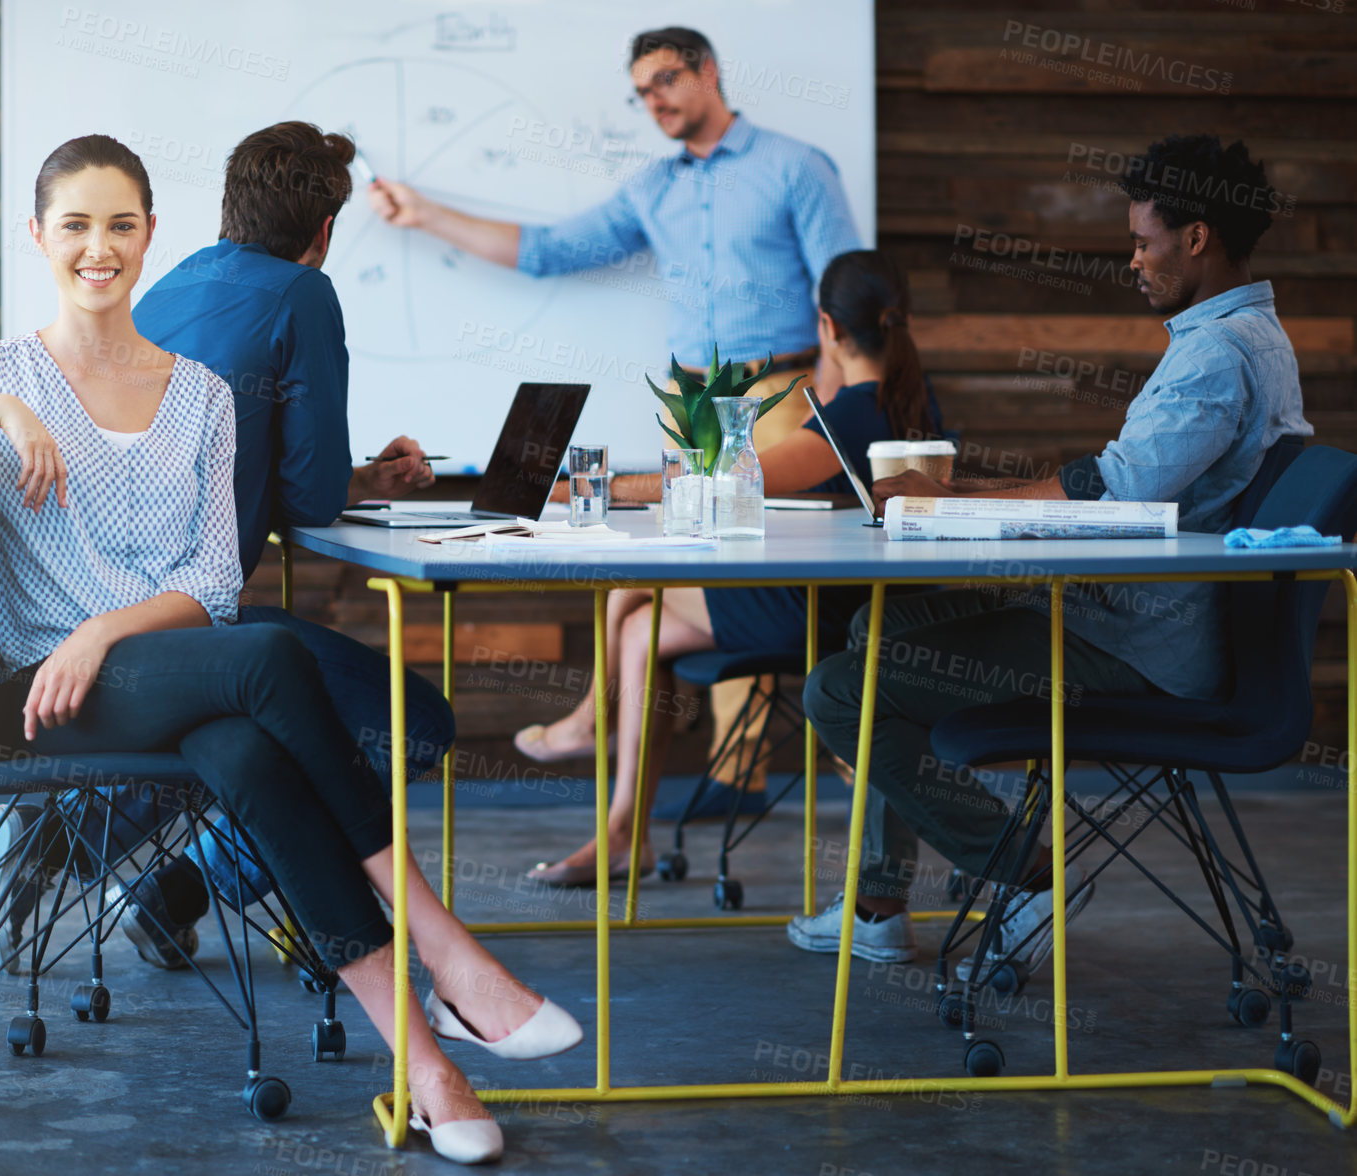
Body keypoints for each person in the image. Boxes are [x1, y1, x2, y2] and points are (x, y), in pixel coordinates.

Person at [0, 135, 580, 1164]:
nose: (99, 247)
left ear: (150, 237)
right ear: (37, 237)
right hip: (29, 692)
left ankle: (428, 1067)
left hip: (134, 666)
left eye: (120, 225)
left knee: (251, 750)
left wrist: (103, 628)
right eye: (75, 225)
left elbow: (211, 583)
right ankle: (453, 960)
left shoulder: (201, 396)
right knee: (272, 659)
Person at [796, 133, 1311, 973]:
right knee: (876, 627)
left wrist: (950, 501)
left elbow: (1112, 490)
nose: (1132, 261)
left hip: (1135, 643)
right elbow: (1120, 488)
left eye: (1142, 242)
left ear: (1195, 238)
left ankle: (1025, 874)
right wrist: (951, 501)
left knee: (838, 691)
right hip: (1123, 613)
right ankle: (880, 902)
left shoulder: (1218, 353)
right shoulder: (1240, 334)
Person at [369, 24, 865, 801]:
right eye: (641, 91)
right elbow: (547, 250)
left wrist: (838, 412)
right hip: (692, 404)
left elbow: (843, 292)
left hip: (777, 393)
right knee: (694, 569)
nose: (654, 100)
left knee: (771, 576)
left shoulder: (795, 166)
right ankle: (722, 781)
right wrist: (424, 214)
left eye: (666, 80)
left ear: (706, 72)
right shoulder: (652, 189)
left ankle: (852, 783)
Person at [9, 121, 460, 972]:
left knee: (287, 694)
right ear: (323, 232)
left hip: (104, 610)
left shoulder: (172, 283)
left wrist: (367, 477)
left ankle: (103, 851)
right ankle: (178, 889)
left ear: (227, 206)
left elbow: (265, 468)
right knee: (411, 724)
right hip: (186, 623)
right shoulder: (302, 296)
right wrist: (359, 478)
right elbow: (312, 496)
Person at [513, 250, 943, 885]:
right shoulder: (909, 398)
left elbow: (729, 482)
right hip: (848, 599)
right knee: (638, 629)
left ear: (826, 326)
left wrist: (582, 487)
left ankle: (594, 730)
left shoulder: (856, 410)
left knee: (632, 589)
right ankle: (621, 829)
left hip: (830, 612)